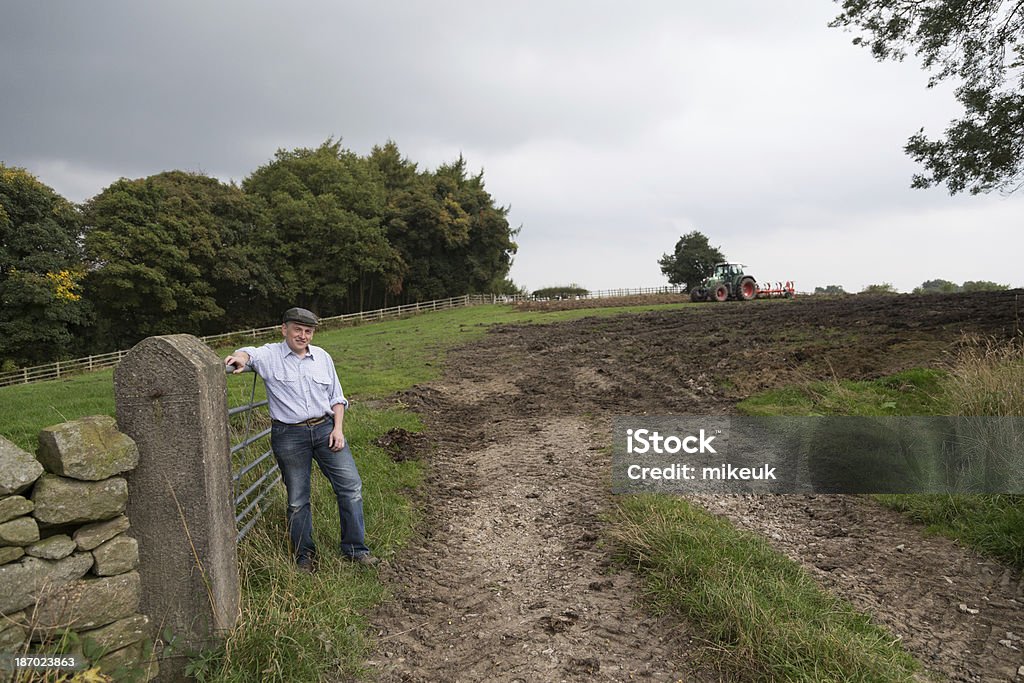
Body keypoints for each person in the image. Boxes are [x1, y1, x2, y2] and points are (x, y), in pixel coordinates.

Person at [225, 307, 378, 570]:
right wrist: (239, 358)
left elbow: (337, 397)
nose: (303, 335)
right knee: (297, 499)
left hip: (325, 429)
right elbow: (248, 353)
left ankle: (355, 549)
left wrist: (338, 428)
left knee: (350, 487)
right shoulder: (270, 355)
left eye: (308, 331)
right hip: (289, 435)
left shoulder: (322, 357)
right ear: (284, 329)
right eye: (298, 329)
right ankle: (304, 556)